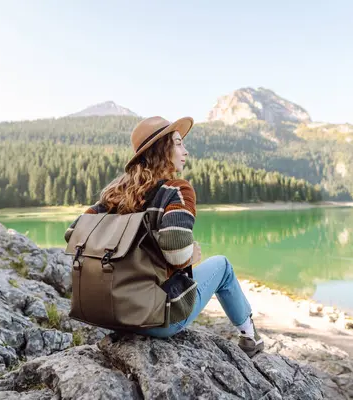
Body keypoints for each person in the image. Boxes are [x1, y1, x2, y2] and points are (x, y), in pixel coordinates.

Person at [73, 115, 264, 357]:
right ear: (162, 150)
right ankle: (250, 337)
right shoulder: (176, 190)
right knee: (223, 266)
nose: (186, 150)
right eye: (178, 143)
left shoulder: (115, 193)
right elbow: (175, 252)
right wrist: (191, 256)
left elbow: (73, 232)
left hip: (109, 315)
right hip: (156, 320)